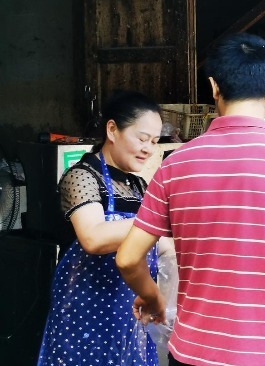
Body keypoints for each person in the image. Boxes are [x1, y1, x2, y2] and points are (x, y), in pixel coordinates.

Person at [116, 32, 265, 366]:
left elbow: (128, 258)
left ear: (214, 87)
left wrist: (153, 299)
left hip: (191, 352)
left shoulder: (174, 163)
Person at [38, 90, 172, 366]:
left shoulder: (138, 186)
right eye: (142, 138)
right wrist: (160, 219)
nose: (148, 148)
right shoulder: (82, 177)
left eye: (155, 142)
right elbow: (94, 237)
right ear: (112, 130)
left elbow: (159, 243)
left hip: (130, 314)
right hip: (84, 316)